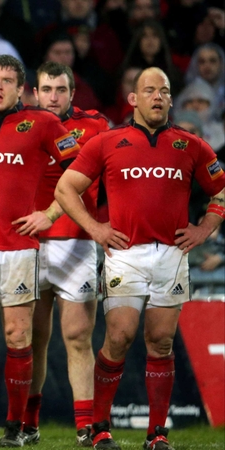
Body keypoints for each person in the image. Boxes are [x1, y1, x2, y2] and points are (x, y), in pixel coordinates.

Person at [55, 67, 225, 450]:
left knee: (161, 341)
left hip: (172, 254)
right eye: (149, 90)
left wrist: (203, 229)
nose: (158, 97)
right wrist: (96, 229)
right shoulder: (108, 142)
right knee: (118, 337)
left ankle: (157, 434)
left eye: (164, 91)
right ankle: (100, 427)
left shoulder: (191, 144)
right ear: (133, 98)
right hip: (125, 253)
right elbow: (66, 189)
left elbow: (222, 191)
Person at [0, 54, 80, 447]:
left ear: (22, 88)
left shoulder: (43, 123)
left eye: (7, 80)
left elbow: (82, 171)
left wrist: (50, 213)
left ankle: (16, 426)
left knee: (18, 335)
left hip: (20, 249)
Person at [16, 61, 110, 446]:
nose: (53, 96)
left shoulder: (97, 127)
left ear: (73, 93)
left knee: (77, 336)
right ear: (35, 93)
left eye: (61, 89)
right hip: (27, 241)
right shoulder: (19, 125)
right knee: (31, 339)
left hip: (76, 241)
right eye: (46, 89)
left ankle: (85, 426)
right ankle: (29, 424)